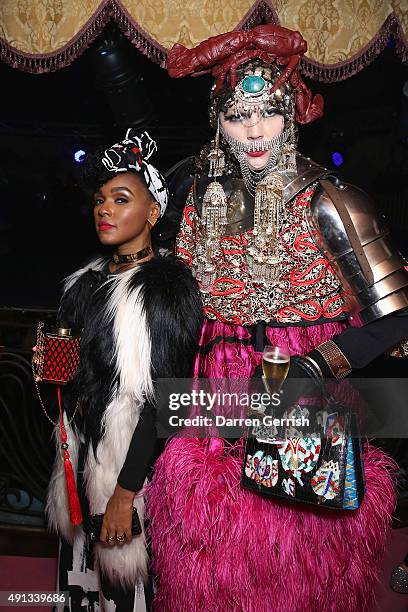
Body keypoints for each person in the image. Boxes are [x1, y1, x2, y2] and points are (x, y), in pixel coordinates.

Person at [147, 25, 408, 611]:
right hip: (211, 401)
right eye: (240, 117)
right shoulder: (195, 198)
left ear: (293, 113)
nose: (256, 132)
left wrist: (316, 366)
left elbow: (398, 319)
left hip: (303, 397)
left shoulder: (332, 199)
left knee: (296, 569)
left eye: (269, 113)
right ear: (219, 122)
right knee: (205, 567)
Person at [44, 130, 202, 611]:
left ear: (153, 212)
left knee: (130, 593)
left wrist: (124, 494)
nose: (104, 209)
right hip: (80, 465)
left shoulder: (166, 290)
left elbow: (164, 401)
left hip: (133, 477)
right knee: (80, 587)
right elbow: (64, 393)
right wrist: (48, 374)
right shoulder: (82, 286)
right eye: (99, 199)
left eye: (120, 198)